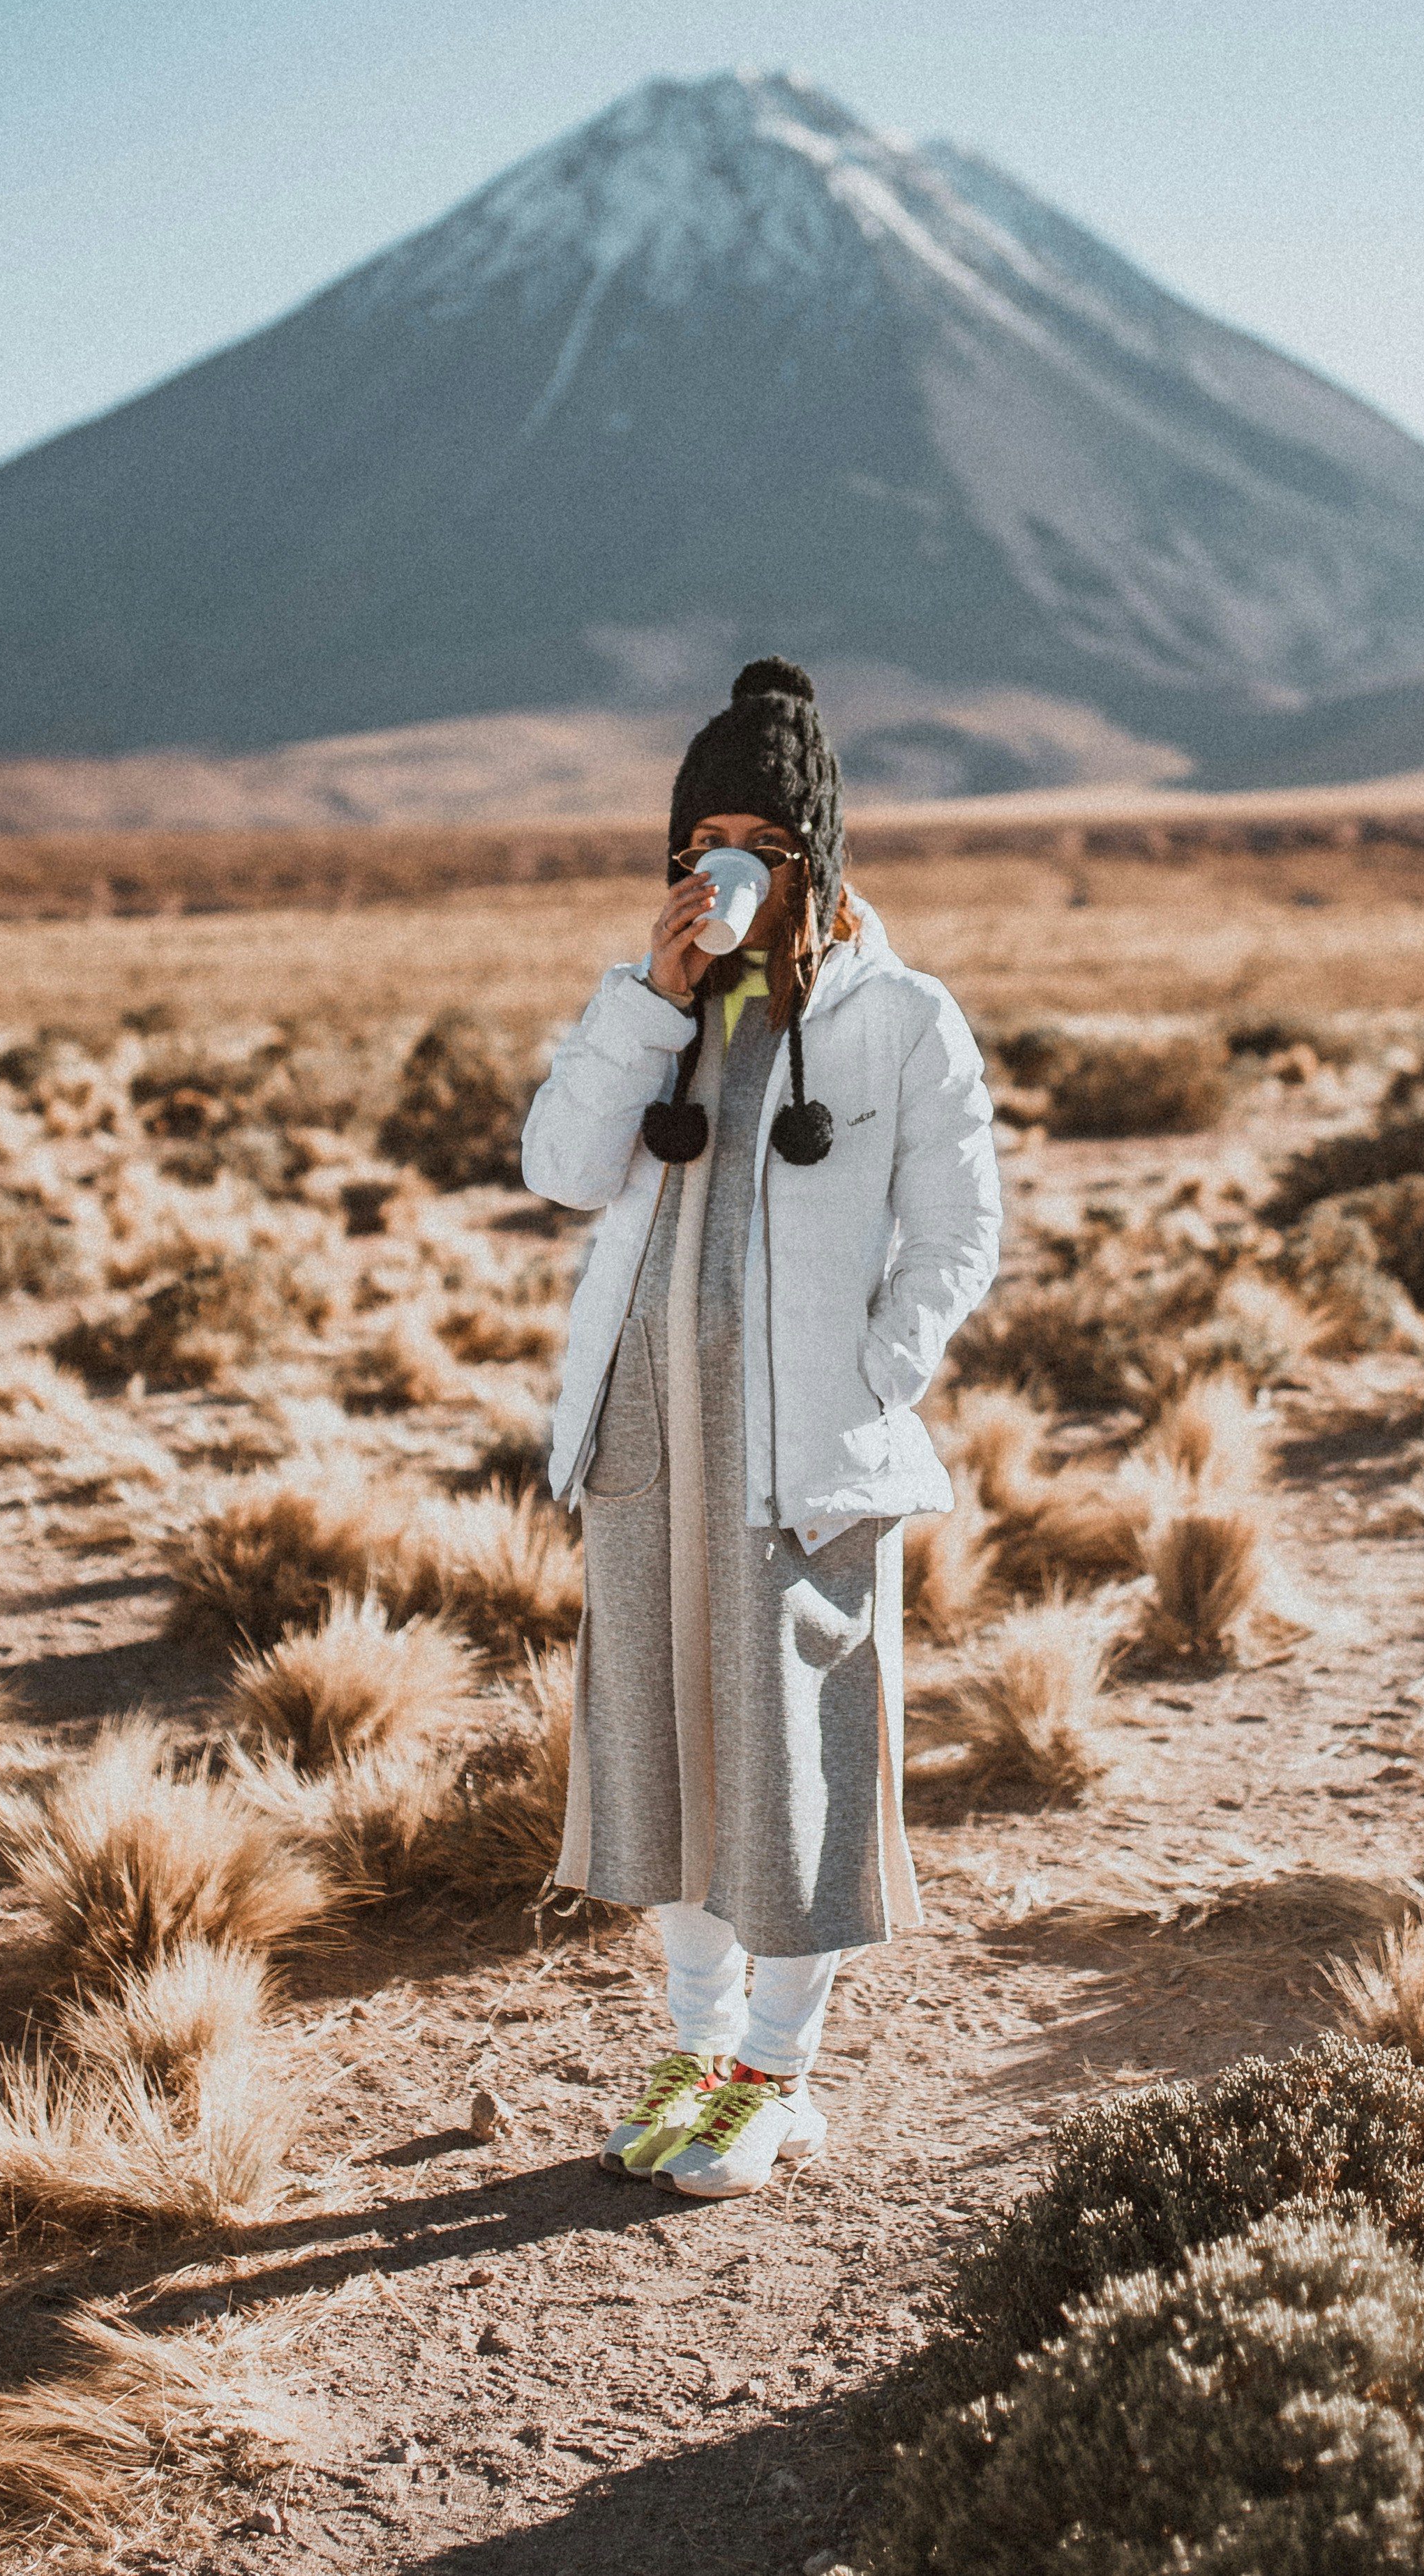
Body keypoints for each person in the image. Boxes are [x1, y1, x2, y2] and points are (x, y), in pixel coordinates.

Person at [520, 657, 1001, 2199]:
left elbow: (957, 1230)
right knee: (668, 1751)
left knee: (787, 1762)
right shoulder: (657, 1007)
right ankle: (693, 2041)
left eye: (756, 843)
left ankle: (776, 2074)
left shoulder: (901, 1018)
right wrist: (647, 1004)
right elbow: (561, 1168)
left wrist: (877, 1377)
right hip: (652, 1445)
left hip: (802, 1462)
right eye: (697, 844)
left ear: (817, 849)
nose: (721, 873)